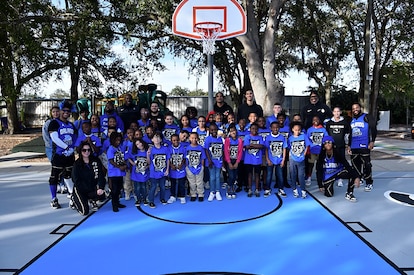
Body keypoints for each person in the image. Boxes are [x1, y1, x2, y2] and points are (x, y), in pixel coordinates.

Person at [48, 100, 77, 209]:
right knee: (54, 177)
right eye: (64, 110)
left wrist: (72, 149)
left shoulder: (71, 125)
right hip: (59, 155)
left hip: (69, 155)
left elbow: (75, 138)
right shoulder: (54, 123)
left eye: (68, 111)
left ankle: (71, 196)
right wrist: (66, 147)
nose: (66, 112)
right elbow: (54, 138)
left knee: (69, 175)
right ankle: (54, 198)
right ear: (60, 111)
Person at [316, 136, 361, 202]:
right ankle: (328, 185)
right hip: (328, 177)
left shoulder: (338, 153)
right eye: (325, 143)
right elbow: (318, 170)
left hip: (338, 173)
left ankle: (349, 193)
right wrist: (320, 184)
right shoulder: (321, 156)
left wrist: (357, 177)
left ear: (333, 144)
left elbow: (347, 166)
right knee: (329, 194)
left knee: (351, 173)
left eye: (329, 142)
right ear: (323, 145)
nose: (327, 144)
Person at [348, 102, 377, 192]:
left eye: (356, 108)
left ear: (360, 108)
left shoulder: (367, 117)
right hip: (354, 146)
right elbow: (350, 134)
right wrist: (349, 145)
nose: (355, 110)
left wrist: (372, 141)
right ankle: (358, 178)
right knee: (355, 165)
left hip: (364, 145)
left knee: (367, 164)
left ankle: (369, 182)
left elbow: (373, 129)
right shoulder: (352, 120)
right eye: (353, 108)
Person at [71, 141, 106, 215]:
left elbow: (100, 175)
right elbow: (76, 180)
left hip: (92, 187)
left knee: (102, 195)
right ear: (81, 151)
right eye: (84, 150)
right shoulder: (77, 164)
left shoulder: (96, 161)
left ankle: (92, 199)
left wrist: (100, 187)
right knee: (84, 212)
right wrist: (90, 190)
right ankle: (74, 199)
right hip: (81, 189)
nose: (86, 152)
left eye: (88, 150)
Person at [325, 106, 351, 187]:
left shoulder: (345, 122)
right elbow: (327, 135)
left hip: (341, 146)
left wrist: (348, 145)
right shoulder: (329, 123)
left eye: (338, 111)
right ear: (333, 113)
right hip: (331, 147)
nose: (336, 113)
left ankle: (340, 178)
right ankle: (331, 177)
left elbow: (347, 135)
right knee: (332, 162)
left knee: (341, 162)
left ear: (340, 112)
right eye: (335, 111)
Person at [287, 121, 311, 199]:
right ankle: (294, 190)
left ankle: (303, 190)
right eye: (296, 129)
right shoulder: (290, 138)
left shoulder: (304, 136)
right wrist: (290, 154)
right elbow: (289, 147)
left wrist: (304, 154)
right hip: (292, 159)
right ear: (292, 130)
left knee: (301, 175)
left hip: (301, 158)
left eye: (299, 130)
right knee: (293, 174)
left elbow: (307, 145)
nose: (297, 131)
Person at [147, 132, 170, 208]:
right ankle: (151, 201)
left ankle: (162, 198)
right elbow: (149, 162)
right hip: (153, 172)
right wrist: (147, 155)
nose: (156, 139)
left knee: (162, 186)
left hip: (162, 172)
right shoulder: (151, 150)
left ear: (161, 139)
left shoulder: (165, 149)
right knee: (153, 187)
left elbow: (168, 160)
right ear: (152, 139)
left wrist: (167, 170)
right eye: (155, 137)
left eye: (158, 137)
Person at [265, 121, 287, 198]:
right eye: (273, 127)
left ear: (279, 128)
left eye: (277, 127)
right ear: (270, 128)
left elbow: (284, 149)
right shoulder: (268, 137)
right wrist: (267, 159)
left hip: (279, 160)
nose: (275, 129)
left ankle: (281, 189)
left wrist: (283, 160)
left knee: (280, 176)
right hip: (270, 160)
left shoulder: (282, 137)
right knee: (269, 176)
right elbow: (267, 149)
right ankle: (267, 189)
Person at [305, 116, 329, 186]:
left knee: (320, 166)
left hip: (320, 150)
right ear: (312, 121)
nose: (315, 121)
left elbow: (326, 139)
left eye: (317, 119)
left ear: (319, 120)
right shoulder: (309, 129)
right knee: (310, 165)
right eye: (314, 119)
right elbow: (307, 140)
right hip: (312, 150)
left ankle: (321, 178)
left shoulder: (323, 130)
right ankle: (309, 177)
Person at [107, 132, 127, 212]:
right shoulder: (111, 149)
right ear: (112, 140)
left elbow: (122, 158)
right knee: (114, 189)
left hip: (120, 173)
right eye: (116, 140)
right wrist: (119, 167)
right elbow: (111, 161)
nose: (118, 142)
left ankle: (117, 202)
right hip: (113, 173)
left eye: (119, 140)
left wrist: (125, 165)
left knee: (119, 188)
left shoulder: (119, 148)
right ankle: (114, 204)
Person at [126, 138, 150, 206]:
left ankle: (145, 198)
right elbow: (128, 156)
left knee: (144, 187)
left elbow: (149, 162)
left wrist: (148, 155)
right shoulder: (134, 152)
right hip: (136, 174)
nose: (139, 145)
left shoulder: (147, 151)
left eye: (140, 143)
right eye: (137, 144)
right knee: (137, 188)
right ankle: (138, 199)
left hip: (144, 174)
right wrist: (132, 163)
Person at [204, 123, 224, 201]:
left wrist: (222, 161)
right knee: (212, 177)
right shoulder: (208, 139)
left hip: (219, 161)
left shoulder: (220, 139)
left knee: (218, 177)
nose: (214, 131)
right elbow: (206, 150)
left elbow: (222, 150)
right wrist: (209, 160)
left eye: (215, 129)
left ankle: (218, 192)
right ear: (209, 130)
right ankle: (212, 192)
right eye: (212, 130)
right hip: (211, 162)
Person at [243, 123, 264, 197]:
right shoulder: (247, 136)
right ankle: (250, 189)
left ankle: (257, 189)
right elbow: (247, 147)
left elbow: (261, 146)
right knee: (249, 174)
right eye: (253, 128)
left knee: (257, 175)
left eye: (256, 129)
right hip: (249, 160)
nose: (254, 130)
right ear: (250, 129)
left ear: (258, 130)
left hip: (257, 160)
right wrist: (256, 146)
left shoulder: (260, 137)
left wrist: (252, 145)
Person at [185, 132, 207, 202]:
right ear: (189, 139)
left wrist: (202, 167)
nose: (194, 139)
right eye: (192, 138)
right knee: (192, 183)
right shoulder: (187, 148)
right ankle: (193, 194)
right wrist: (187, 167)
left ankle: (200, 194)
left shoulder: (200, 148)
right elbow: (185, 159)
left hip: (199, 167)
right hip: (190, 168)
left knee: (199, 182)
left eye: (195, 138)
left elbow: (203, 158)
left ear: (198, 139)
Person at [223, 124, 243, 199]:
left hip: (236, 160)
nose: (233, 132)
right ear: (229, 133)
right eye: (231, 131)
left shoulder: (239, 140)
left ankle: (233, 187)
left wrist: (237, 162)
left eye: (234, 130)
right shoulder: (227, 140)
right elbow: (226, 152)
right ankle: (229, 188)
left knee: (235, 175)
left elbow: (240, 152)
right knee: (231, 175)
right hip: (230, 160)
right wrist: (229, 162)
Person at [167, 134, 187, 204]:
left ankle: (182, 196)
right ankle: (172, 196)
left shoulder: (183, 148)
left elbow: (184, 158)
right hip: (173, 170)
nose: (175, 141)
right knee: (173, 184)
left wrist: (181, 164)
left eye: (177, 140)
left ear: (179, 140)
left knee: (181, 183)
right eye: (173, 140)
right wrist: (171, 165)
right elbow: (168, 159)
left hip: (181, 169)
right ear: (171, 141)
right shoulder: (169, 148)